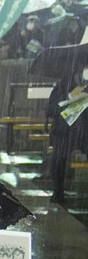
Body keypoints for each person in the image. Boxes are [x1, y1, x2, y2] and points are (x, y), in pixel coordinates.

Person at [45, 65, 88, 205]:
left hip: (85, 133)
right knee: (58, 159)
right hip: (64, 133)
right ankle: (58, 191)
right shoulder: (64, 85)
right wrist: (68, 99)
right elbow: (50, 109)